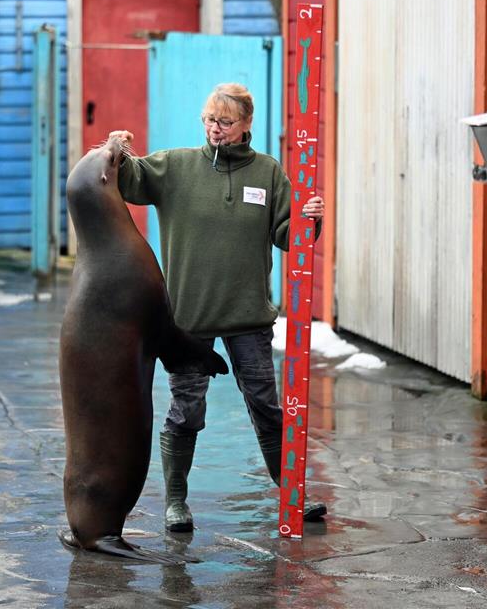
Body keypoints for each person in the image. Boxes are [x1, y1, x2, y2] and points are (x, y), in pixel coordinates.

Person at [109, 82, 327, 532]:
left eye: (225, 122)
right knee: (186, 410)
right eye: (209, 119)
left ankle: (292, 498)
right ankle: (176, 503)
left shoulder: (268, 173)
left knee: (266, 406)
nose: (215, 128)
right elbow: (128, 180)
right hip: (189, 317)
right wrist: (116, 151)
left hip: (248, 316)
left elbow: (290, 238)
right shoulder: (176, 167)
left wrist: (311, 218)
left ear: (247, 124)